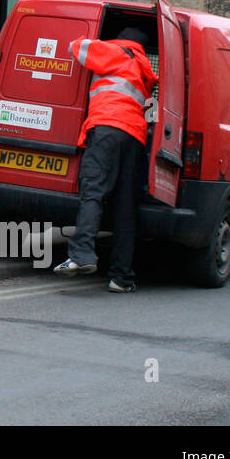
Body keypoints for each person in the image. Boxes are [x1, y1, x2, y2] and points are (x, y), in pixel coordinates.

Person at [53, 26, 157, 293]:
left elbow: (75, 47)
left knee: (93, 192)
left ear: (121, 40)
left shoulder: (114, 52)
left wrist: (91, 34)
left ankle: (81, 256)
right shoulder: (144, 69)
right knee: (124, 206)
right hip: (134, 137)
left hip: (107, 128)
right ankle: (121, 278)